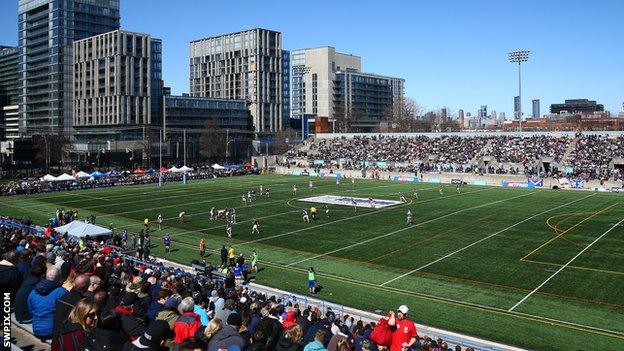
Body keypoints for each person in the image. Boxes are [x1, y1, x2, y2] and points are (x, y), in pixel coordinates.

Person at [28, 266, 68, 341]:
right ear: (59, 278)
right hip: (52, 331)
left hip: (36, 329)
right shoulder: (61, 292)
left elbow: (31, 311)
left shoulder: (33, 292)